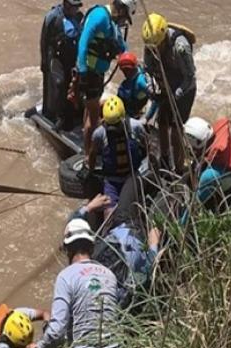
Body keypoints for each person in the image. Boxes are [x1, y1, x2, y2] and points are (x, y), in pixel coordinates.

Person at [29, 218, 118, 348]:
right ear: (92, 248)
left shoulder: (66, 276)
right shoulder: (110, 275)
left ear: (68, 249)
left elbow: (57, 331)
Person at [72, 193, 161, 308]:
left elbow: (72, 231)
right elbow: (145, 277)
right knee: (164, 210)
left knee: (134, 181)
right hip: (144, 242)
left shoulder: (76, 273)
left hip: (121, 224)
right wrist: (153, 246)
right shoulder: (113, 300)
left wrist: (88, 207)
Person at [76, 0, 137, 154]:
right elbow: (83, 42)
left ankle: (86, 141)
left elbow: (123, 48)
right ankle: (88, 155)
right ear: (121, 9)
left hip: (97, 73)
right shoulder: (100, 17)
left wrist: (135, 70)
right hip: (89, 73)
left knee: (91, 110)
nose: (124, 22)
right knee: (95, 118)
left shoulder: (112, 23)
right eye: (125, 17)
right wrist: (82, 72)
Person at [142, 13, 197, 173]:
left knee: (176, 130)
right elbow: (147, 69)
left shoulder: (180, 47)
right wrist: (150, 86)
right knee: (162, 122)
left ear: (164, 37)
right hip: (164, 85)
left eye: (157, 47)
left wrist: (176, 94)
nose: (154, 50)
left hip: (184, 90)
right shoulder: (151, 44)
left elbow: (189, 76)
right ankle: (165, 158)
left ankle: (179, 167)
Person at [85, 95, 147, 214]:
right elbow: (92, 154)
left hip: (132, 177)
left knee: (133, 211)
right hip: (111, 181)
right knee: (108, 213)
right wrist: (90, 172)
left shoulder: (136, 126)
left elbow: (146, 145)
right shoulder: (99, 134)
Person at [184, 116, 231, 210]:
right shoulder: (216, 139)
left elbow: (196, 204)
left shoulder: (210, 175)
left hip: (221, 203)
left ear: (198, 144)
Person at [40, 0, 84, 130]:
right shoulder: (52, 17)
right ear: (66, 4)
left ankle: (73, 113)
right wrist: (44, 61)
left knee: (74, 85)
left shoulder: (79, 17)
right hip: (57, 58)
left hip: (73, 58)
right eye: (73, 7)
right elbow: (44, 40)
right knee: (59, 84)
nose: (76, 10)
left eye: (77, 7)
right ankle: (57, 116)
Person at [116, 52, 151, 119]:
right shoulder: (133, 76)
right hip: (124, 109)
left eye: (127, 70)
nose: (124, 72)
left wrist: (147, 117)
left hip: (133, 114)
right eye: (123, 70)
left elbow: (155, 99)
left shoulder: (140, 82)